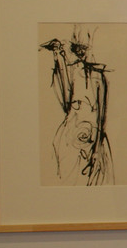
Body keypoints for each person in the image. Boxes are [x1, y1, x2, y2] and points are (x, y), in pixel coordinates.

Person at [39, 26, 113, 185]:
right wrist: (57, 58)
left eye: (82, 50)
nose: (79, 55)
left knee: (93, 175)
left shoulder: (98, 77)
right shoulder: (71, 74)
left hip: (92, 136)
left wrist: (97, 147)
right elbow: (65, 102)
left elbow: (101, 113)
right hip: (71, 134)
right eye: (75, 50)